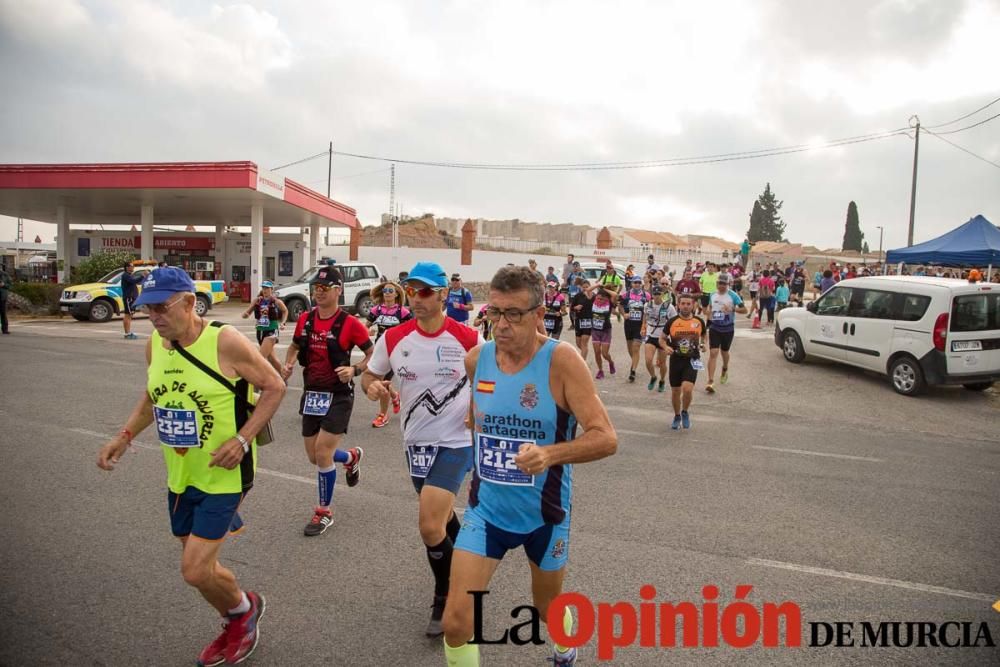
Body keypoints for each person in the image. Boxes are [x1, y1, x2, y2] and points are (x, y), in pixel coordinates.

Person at [95, 267, 285, 666]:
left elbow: (274, 386)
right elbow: (152, 399)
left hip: (226, 471)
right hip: (181, 474)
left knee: (195, 571)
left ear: (187, 302)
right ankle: (243, 607)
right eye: (148, 309)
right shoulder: (156, 345)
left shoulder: (225, 341)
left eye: (162, 307)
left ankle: (240, 618)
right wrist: (124, 436)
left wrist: (242, 438)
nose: (155, 316)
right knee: (206, 567)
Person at [441, 265, 618, 667]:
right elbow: (477, 422)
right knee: (456, 622)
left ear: (540, 315)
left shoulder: (563, 361)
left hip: (544, 515)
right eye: (495, 312)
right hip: (486, 512)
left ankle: (564, 646)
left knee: (547, 609)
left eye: (514, 314)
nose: (501, 325)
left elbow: (605, 437)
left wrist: (549, 455)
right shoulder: (477, 360)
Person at [362, 262, 482, 637]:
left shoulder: (468, 338)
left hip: (456, 441)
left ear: (444, 294)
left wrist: (479, 407)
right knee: (444, 519)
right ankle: (471, 564)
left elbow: (491, 379)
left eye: (426, 291)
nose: (416, 298)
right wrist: (372, 387)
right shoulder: (394, 338)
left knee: (429, 524)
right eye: (411, 290)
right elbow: (370, 373)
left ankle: (448, 595)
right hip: (416, 441)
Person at [281, 266, 372, 536]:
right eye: (315, 288)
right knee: (315, 456)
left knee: (322, 453)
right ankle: (351, 457)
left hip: (339, 395)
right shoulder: (306, 319)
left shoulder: (350, 324)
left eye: (324, 288)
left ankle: (324, 512)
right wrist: (287, 365)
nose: (318, 293)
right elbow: (296, 346)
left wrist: (354, 370)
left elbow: (372, 355)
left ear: (338, 290)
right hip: (313, 393)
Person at [366, 281, 412, 428]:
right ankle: (394, 396)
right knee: (381, 380)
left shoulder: (402, 312)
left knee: (383, 380)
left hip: (396, 351)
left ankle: (383, 415)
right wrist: (368, 331)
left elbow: (411, 330)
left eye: (390, 290)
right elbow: (365, 326)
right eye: (385, 290)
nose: (387, 293)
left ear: (396, 293)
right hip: (381, 350)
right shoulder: (376, 310)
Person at [660, 295, 707, 430]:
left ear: (693, 305)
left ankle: (685, 411)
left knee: (687, 389)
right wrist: (665, 347)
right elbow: (662, 339)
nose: (685, 306)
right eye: (683, 304)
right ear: (678, 305)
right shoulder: (672, 322)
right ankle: (677, 415)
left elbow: (704, 335)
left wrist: (703, 344)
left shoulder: (699, 321)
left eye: (688, 304)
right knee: (675, 391)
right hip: (676, 359)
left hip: (692, 359)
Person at [704, 274, 747, 394]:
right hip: (715, 328)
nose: (721, 286)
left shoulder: (733, 295)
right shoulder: (712, 295)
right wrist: (708, 314)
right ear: (717, 284)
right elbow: (710, 309)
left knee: (724, 352)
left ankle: (725, 368)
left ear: (728, 284)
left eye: (724, 284)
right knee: (713, 353)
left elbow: (745, 310)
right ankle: (710, 381)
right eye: (719, 283)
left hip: (728, 329)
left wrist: (732, 309)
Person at [241, 281, 288, 375]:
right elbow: (247, 313)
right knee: (272, 359)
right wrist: (245, 315)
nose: (265, 290)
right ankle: (282, 377)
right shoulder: (257, 301)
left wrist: (283, 323)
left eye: (267, 288)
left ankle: (258, 383)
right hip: (260, 331)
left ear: (272, 289)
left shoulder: (277, 301)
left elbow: (285, 311)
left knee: (260, 358)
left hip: (272, 331)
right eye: (263, 288)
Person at [643, 286, 676, 392]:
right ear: (652, 295)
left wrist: (673, 335)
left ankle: (662, 380)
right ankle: (653, 377)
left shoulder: (669, 307)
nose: (657, 296)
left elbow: (674, 321)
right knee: (648, 360)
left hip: (663, 337)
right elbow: (645, 316)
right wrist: (643, 327)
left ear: (662, 294)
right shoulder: (647, 305)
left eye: (659, 294)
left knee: (662, 363)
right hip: (651, 335)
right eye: (655, 294)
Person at [619, 276, 650, 383]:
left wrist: (646, 323)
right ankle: (634, 362)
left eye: (638, 282)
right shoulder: (626, 295)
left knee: (636, 347)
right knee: (630, 348)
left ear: (641, 284)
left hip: (640, 325)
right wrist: (624, 314)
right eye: (635, 282)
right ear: (631, 284)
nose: (637, 284)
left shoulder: (647, 296)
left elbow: (651, 308)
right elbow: (620, 306)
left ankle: (633, 371)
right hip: (629, 325)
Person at [590, 288, 615, 379]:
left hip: (606, 331)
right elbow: (588, 291)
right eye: (598, 298)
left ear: (606, 299)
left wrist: (604, 288)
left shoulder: (609, 303)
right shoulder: (593, 301)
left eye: (602, 299)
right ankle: (600, 370)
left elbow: (615, 295)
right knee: (597, 352)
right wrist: (598, 286)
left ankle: (611, 362)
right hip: (595, 330)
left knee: (604, 354)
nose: (599, 300)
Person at [571, 279, 593, 362]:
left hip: (588, 321)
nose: (585, 289)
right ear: (581, 287)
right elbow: (572, 307)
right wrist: (576, 307)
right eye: (583, 287)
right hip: (578, 321)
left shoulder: (593, 296)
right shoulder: (578, 296)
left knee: (584, 342)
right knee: (578, 343)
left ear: (590, 287)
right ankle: (585, 351)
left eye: (587, 287)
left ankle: (582, 363)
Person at [120, 262, 143, 340]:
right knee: (128, 315)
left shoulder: (130, 275)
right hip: (128, 298)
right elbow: (133, 281)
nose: (133, 267)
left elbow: (136, 282)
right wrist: (142, 276)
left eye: (133, 266)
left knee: (130, 315)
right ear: (127, 267)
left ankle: (128, 332)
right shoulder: (125, 275)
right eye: (131, 266)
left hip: (132, 297)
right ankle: (127, 333)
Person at [0, 265, 10, 334]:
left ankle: (5, 329)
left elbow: (10, 285)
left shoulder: (5, 275)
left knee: (3, 313)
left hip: (2, 297)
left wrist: (3, 285)